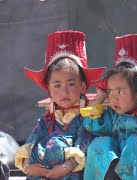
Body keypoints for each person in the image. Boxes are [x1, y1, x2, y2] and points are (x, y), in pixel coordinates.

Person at [80, 34, 137, 180]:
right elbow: (92, 126)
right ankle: (109, 175)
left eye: (120, 91)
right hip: (115, 167)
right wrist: (99, 99)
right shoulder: (112, 116)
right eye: (110, 92)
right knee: (102, 141)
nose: (113, 97)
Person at [15, 30, 105, 179]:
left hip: (71, 172)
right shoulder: (47, 120)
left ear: (82, 86)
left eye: (70, 84)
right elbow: (32, 142)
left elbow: (85, 143)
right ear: (49, 89)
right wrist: (29, 167)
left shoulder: (87, 117)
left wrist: (66, 167)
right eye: (57, 85)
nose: (64, 91)